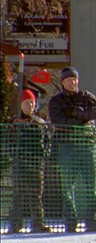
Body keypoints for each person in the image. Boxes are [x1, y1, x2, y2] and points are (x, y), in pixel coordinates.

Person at [48, 67, 96, 233]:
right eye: (69, 80)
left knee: (91, 186)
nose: (73, 82)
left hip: (87, 147)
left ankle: (92, 221)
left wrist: (77, 114)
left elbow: (95, 112)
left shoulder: (87, 97)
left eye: (75, 79)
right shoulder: (56, 102)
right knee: (67, 187)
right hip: (67, 148)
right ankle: (71, 221)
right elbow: (59, 120)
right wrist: (82, 120)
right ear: (63, 82)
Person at [7, 89, 52, 234]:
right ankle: (15, 225)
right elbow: (8, 142)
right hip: (20, 165)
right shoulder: (14, 123)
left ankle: (38, 224)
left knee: (36, 196)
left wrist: (44, 154)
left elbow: (47, 141)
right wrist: (14, 155)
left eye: (32, 103)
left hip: (36, 165)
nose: (30, 106)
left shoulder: (40, 123)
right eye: (27, 103)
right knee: (18, 196)